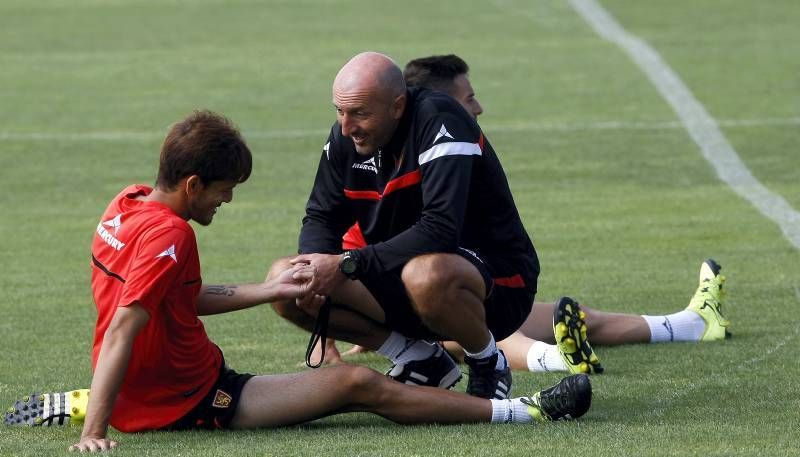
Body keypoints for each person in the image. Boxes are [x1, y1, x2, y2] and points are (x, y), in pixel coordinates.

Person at [3, 110, 593, 451]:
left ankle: (89, 401)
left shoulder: (126, 205)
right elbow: (126, 328)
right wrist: (98, 432)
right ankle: (524, 412)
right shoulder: (172, 235)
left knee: (343, 364)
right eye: (224, 187)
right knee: (356, 385)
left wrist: (275, 291)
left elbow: (175, 300)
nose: (229, 198)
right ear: (192, 185)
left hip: (155, 388)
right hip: (198, 397)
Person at [311, 54, 731, 374]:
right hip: (433, 297)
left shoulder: (451, 154)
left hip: (466, 286)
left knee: (570, 315)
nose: (477, 109)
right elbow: (348, 254)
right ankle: (554, 360)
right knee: (463, 312)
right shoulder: (403, 145)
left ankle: (689, 324)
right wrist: (333, 307)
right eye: (468, 98)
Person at [269, 51, 543, 401]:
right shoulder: (346, 137)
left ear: (397, 106)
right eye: (339, 111)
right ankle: (419, 359)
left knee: (426, 275)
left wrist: (345, 264)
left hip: (498, 284)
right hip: (400, 274)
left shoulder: (442, 120)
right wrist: (314, 269)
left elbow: (441, 229)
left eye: (359, 113)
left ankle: (488, 362)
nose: (345, 126)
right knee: (287, 278)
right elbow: (321, 216)